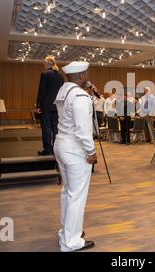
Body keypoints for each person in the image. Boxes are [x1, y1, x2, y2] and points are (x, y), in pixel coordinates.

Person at [53, 61, 97, 252]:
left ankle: (67, 232)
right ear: (80, 76)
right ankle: (71, 242)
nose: (87, 77)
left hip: (61, 144)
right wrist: (91, 151)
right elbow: (82, 129)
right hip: (75, 149)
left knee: (68, 192)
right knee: (76, 196)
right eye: (85, 74)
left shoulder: (64, 91)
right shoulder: (79, 95)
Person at [36, 55, 64, 156]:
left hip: (46, 106)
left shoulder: (45, 74)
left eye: (44, 62)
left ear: (49, 63)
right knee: (55, 128)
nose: (43, 64)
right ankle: (56, 148)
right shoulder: (60, 76)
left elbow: (41, 90)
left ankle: (47, 149)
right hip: (57, 106)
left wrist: (38, 105)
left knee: (46, 128)